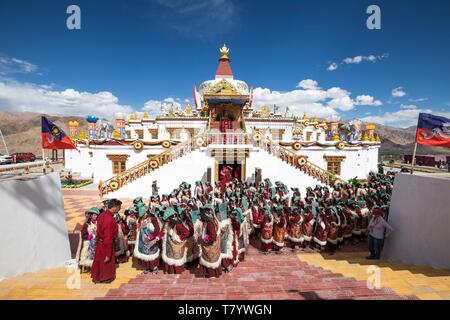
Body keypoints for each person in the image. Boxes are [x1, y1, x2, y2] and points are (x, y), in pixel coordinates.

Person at [91, 199, 121, 284]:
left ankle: (99, 277)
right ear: (114, 207)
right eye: (119, 207)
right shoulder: (109, 220)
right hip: (106, 244)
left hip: (101, 243)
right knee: (106, 261)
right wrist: (108, 253)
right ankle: (104, 278)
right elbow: (108, 237)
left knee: (100, 261)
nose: (120, 209)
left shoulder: (102, 215)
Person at [134, 205, 161, 274]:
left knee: (152, 253)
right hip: (143, 240)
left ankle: (154, 267)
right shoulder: (140, 219)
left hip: (151, 239)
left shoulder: (153, 219)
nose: (143, 216)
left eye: (144, 214)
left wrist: (151, 237)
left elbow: (157, 229)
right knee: (145, 254)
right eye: (142, 215)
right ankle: (147, 267)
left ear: (147, 212)